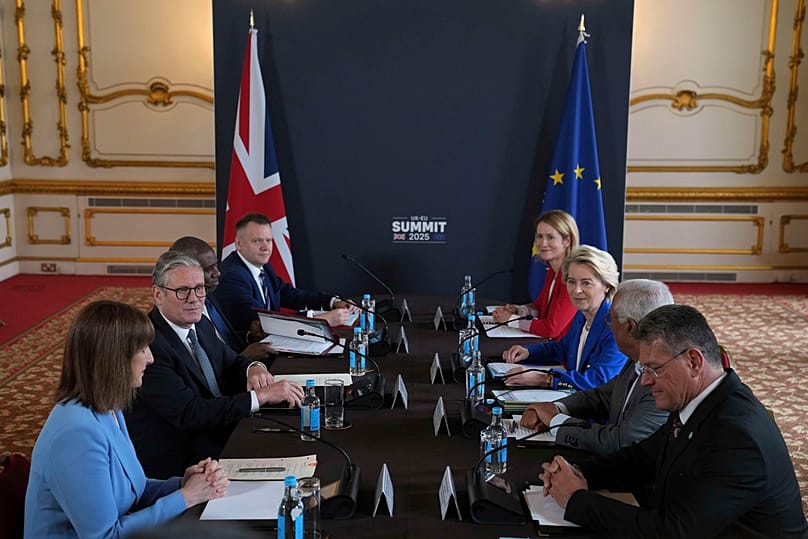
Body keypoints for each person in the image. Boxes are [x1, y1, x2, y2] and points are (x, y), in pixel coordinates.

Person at [540, 305, 808, 538]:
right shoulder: (702, 400)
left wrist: (577, 501)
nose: (645, 381)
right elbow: (643, 458)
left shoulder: (738, 437)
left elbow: (672, 532)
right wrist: (579, 472)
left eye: (654, 369)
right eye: (643, 369)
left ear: (693, 361)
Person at [24, 301, 228, 539]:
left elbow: (133, 489)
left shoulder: (109, 407)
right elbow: (105, 536)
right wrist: (186, 497)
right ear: (115, 359)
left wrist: (183, 483)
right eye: (143, 350)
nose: (151, 359)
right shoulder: (77, 433)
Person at [125, 251, 305, 478]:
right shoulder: (149, 345)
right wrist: (260, 397)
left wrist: (253, 368)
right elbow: (190, 413)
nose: (194, 298)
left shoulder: (199, 324)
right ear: (158, 294)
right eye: (183, 291)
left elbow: (231, 361)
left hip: (223, 429)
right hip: (187, 460)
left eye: (200, 288)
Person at [520, 279, 672, 455]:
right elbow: (601, 396)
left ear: (630, 327)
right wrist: (555, 408)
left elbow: (619, 442)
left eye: (611, 318)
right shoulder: (636, 360)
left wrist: (556, 421)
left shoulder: (660, 379)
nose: (609, 324)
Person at [501, 245, 626, 391]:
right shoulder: (582, 314)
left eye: (586, 283)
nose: (576, 290)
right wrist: (528, 352)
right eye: (572, 281)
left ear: (607, 285)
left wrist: (544, 379)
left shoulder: (616, 329)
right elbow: (563, 348)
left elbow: (597, 380)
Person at [214, 213, 356, 338]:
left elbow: (290, 295)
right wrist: (319, 319)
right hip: (248, 351)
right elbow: (259, 321)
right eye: (257, 241)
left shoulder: (263, 267)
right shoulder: (232, 275)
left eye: (268, 240)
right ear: (238, 244)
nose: (265, 247)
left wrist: (332, 302)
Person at [170, 235, 275, 359]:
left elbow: (224, 338)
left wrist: (250, 336)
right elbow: (204, 368)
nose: (217, 273)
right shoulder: (184, 311)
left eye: (216, 265)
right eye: (208, 269)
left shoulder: (210, 296)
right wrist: (244, 357)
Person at [492, 210, 578, 339]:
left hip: (562, 354)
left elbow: (551, 329)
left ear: (567, 241)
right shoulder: (553, 270)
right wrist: (517, 310)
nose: (542, 243)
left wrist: (512, 320)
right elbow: (539, 307)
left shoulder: (572, 278)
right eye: (539, 236)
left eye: (550, 237)